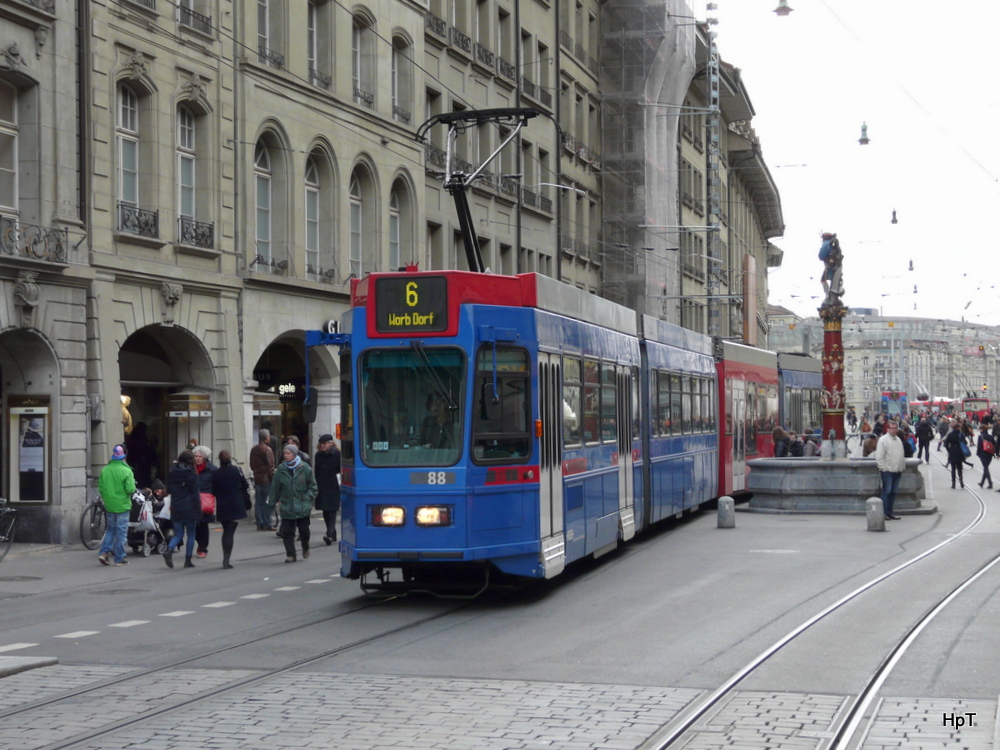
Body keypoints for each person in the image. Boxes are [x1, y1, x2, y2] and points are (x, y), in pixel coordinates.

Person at [268, 444, 318, 563]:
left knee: (304, 531)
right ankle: (291, 555)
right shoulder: (281, 470)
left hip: (302, 506)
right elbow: (275, 488)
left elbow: (313, 487)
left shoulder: (305, 468)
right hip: (287, 506)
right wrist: (271, 502)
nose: (286, 456)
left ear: (295, 455)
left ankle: (305, 547)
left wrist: (307, 498)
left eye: (288, 453)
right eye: (284, 453)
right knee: (287, 533)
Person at [97, 444, 136, 566]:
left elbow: (101, 487)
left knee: (110, 530)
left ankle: (104, 553)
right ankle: (119, 558)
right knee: (121, 532)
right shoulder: (127, 471)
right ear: (124, 456)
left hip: (109, 505)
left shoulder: (105, 470)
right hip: (122, 505)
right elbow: (130, 489)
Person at [211, 450, 248, 569]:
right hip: (235, 504)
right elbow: (245, 485)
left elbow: (213, 490)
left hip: (223, 505)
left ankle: (225, 558)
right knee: (230, 532)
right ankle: (226, 559)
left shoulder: (216, 473)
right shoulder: (236, 470)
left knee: (226, 530)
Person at [164, 450, 199, 568]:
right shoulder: (191, 474)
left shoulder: (172, 472)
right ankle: (188, 560)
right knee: (191, 534)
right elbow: (195, 493)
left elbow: (168, 490)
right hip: (189, 507)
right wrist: (198, 510)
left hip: (176, 506)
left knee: (178, 534)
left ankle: (169, 550)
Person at [874, 421, 906, 521]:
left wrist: (901, 467)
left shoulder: (898, 440)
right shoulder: (883, 440)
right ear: (887, 429)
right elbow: (879, 456)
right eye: (892, 428)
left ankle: (889, 512)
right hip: (888, 471)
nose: (894, 429)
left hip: (897, 470)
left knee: (893, 492)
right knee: (887, 492)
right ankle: (883, 513)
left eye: (895, 428)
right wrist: (884, 468)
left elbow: (901, 454)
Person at [314, 433, 341, 545]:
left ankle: (329, 534)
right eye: (321, 444)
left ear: (330, 443)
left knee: (332, 511)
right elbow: (317, 471)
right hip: (323, 487)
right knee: (325, 511)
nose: (322, 446)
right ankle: (332, 533)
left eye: (324, 444)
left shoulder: (337, 455)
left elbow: (341, 471)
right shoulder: (318, 455)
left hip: (334, 487)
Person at [192, 445, 217, 558]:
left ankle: (203, 548)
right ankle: (199, 543)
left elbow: (216, 484)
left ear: (205, 457)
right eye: (196, 456)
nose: (197, 458)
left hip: (206, 500)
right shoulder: (190, 468)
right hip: (192, 500)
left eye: (199, 456)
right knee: (194, 525)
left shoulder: (211, 469)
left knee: (203, 525)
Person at [249, 428, 276, 531]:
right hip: (266, 479)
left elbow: (251, 464)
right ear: (267, 438)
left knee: (259, 502)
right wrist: (273, 478)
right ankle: (267, 522)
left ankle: (259, 522)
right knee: (267, 502)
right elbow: (270, 466)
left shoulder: (254, 449)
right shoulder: (268, 450)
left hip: (257, 477)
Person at [944, 419, 968, 490]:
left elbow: (946, 444)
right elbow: (965, 443)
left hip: (952, 452)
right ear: (958, 428)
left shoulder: (950, 434)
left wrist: (949, 450)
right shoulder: (961, 435)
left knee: (953, 469)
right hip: (960, 452)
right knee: (960, 468)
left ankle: (953, 484)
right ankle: (961, 482)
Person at [976, 424, 996, 490]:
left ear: (982, 429)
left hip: (983, 454)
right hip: (990, 454)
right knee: (986, 468)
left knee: (986, 468)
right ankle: (982, 482)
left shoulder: (980, 436)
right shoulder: (991, 436)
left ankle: (990, 483)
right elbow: (995, 445)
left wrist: (978, 454)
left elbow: (979, 446)